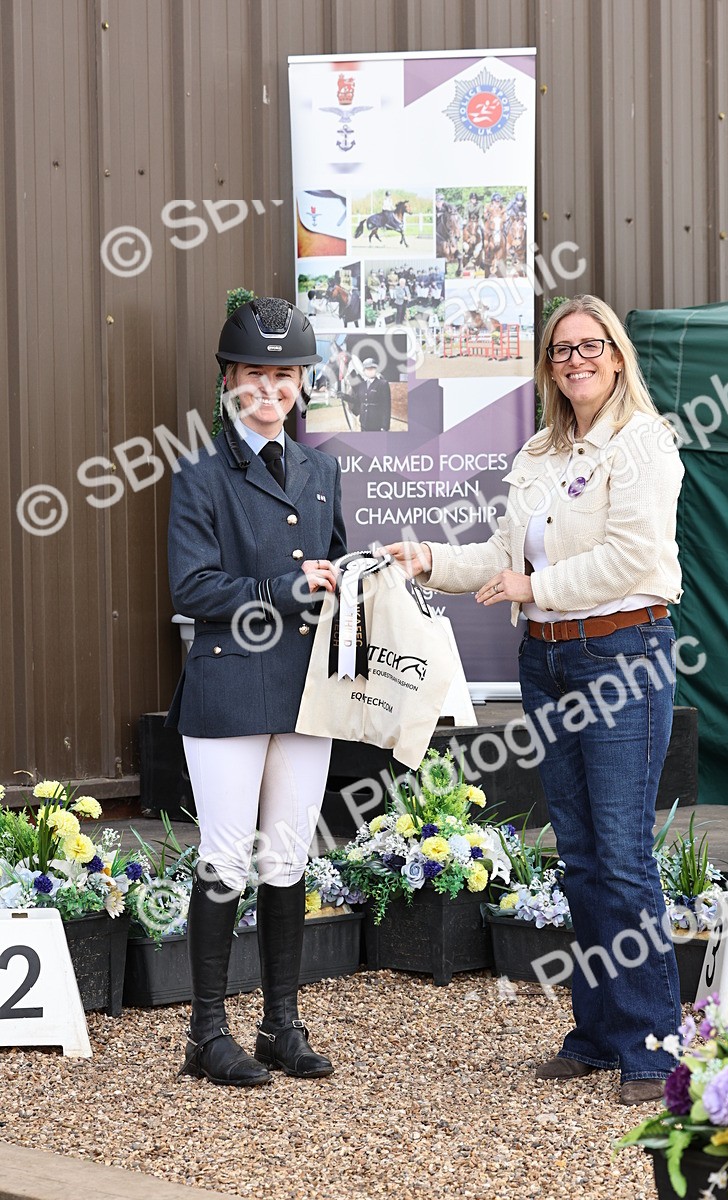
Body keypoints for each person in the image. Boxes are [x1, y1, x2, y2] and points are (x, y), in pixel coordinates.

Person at [385, 294, 684, 1106]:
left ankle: (657, 1050)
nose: (576, 359)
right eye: (561, 350)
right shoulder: (541, 451)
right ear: (549, 367)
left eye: (591, 346)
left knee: (621, 857)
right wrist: (430, 560)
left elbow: (630, 557)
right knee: (581, 856)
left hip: (622, 652)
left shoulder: (644, 444)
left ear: (618, 357)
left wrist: (535, 584)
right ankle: (597, 1035)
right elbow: (500, 552)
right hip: (548, 660)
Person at [166, 296, 347, 1087]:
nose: (270, 389)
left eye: (284, 375)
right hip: (230, 689)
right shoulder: (200, 474)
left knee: (286, 857)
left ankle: (282, 1022)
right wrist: (287, 585)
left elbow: (330, 567)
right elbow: (195, 587)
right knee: (225, 858)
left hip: (306, 692)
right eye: (255, 374)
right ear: (229, 381)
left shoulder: (321, 469)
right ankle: (207, 1033)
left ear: (301, 384)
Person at [347, 357, 392, 431]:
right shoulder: (362, 385)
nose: (370, 371)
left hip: (377, 423)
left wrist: (385, 426)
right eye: (367, 369)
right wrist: (344, 396)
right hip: (363, 422)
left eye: (372, 368)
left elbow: (386, 407)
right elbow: (357, 400)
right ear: (364, 371)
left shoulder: (383, 384)